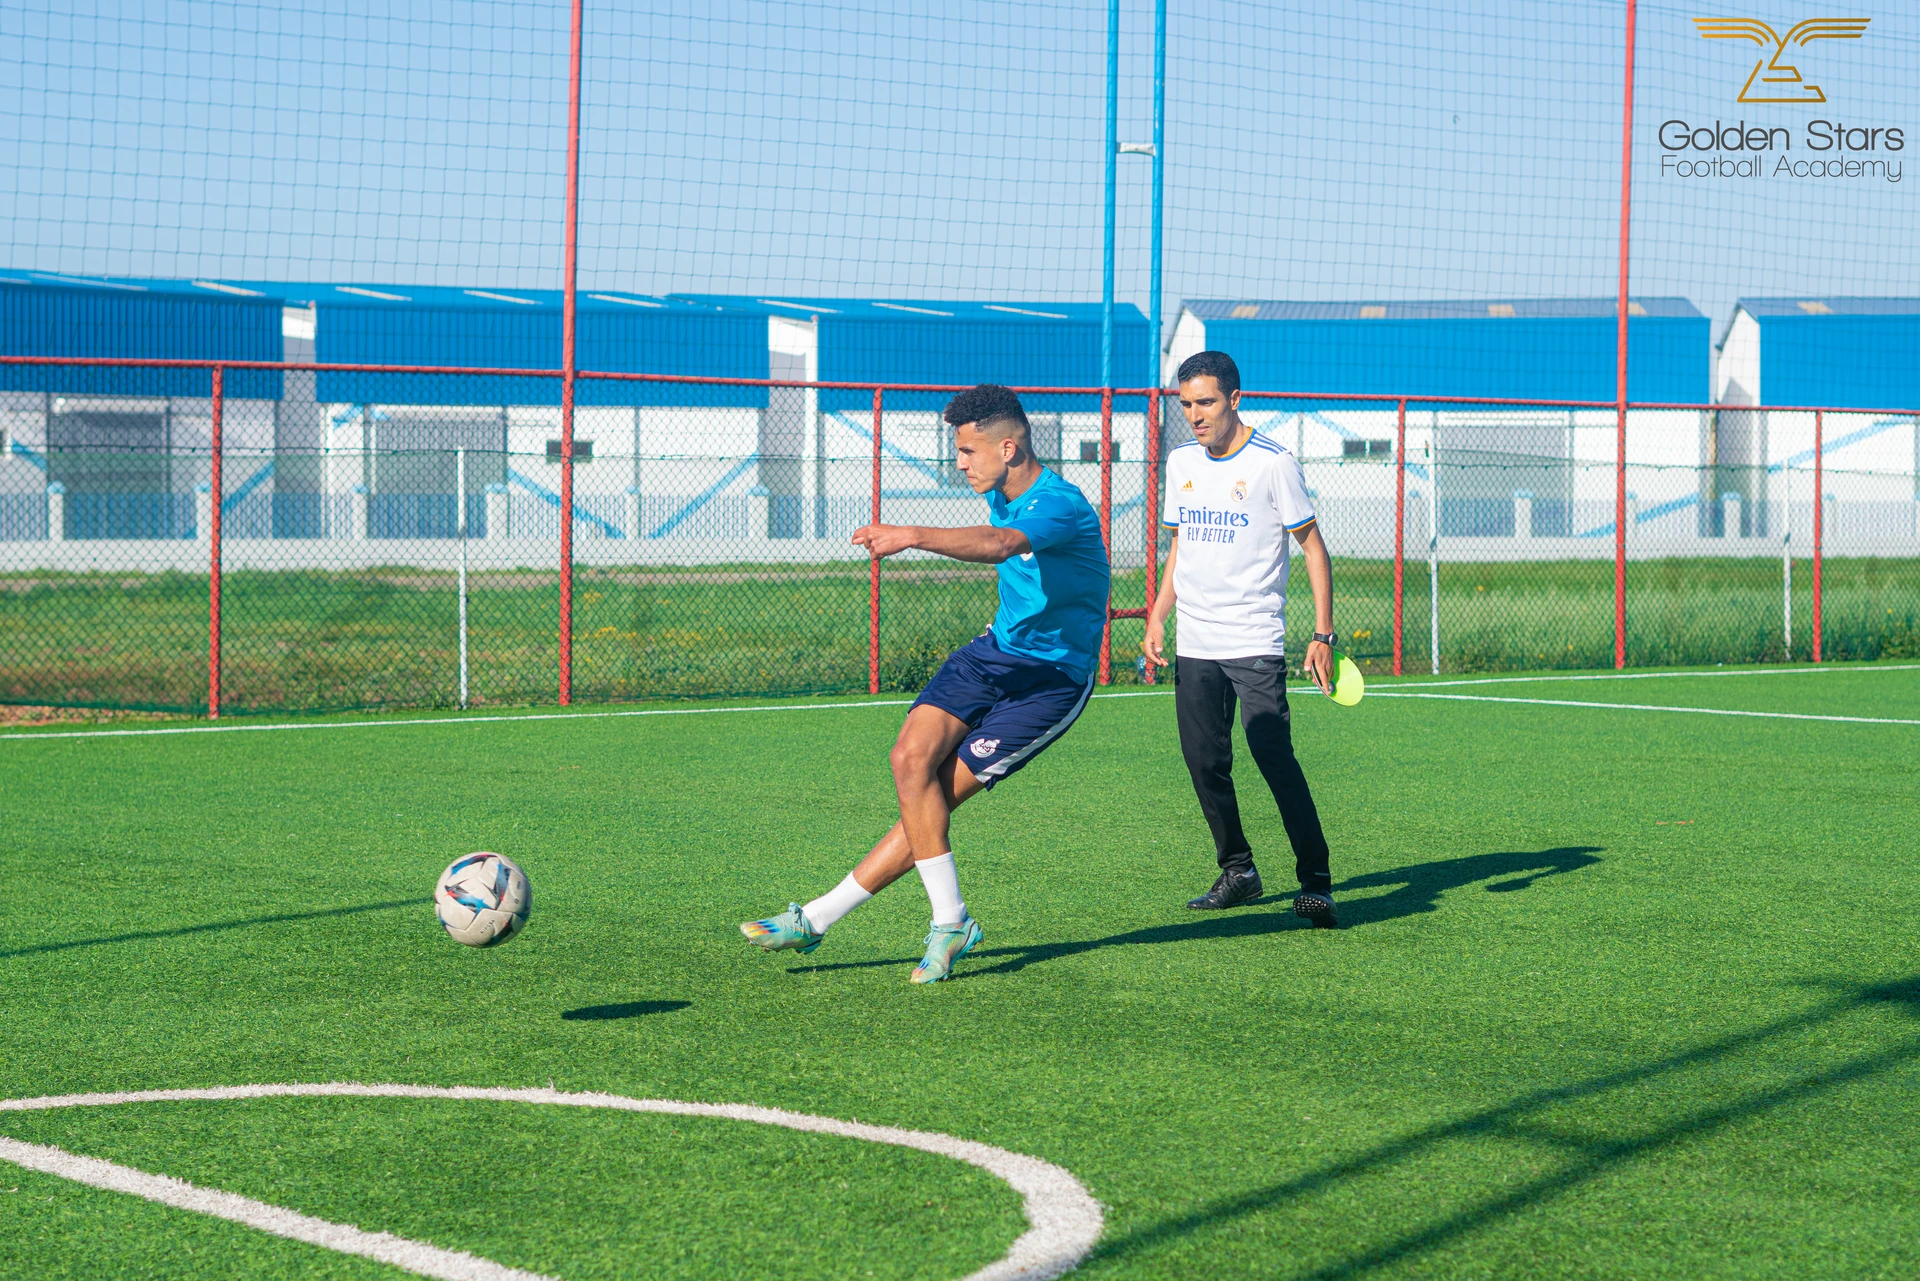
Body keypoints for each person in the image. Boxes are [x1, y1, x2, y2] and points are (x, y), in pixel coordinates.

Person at [741, 384, 1112, 983]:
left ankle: (822, 917)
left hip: (1052, 680)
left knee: (937, 795)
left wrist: (912, 534)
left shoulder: (1060, 504)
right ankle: (946, 921)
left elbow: (1000, 546)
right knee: (909, 760)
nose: (959, 463)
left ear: (1009, 448)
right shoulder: (1002, 492)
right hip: (993, 653)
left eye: (968, 451)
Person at [1142, 350, 1340, 927]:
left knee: (1272, 755)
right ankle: (1239, 870)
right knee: (1204, 761)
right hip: (1195, 641)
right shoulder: (1181, 460)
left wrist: (1322, 634)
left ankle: (1317, 882)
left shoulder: (1274, 463)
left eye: (1205, 402)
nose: (1195, 416)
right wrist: (1158, 614)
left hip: (1253, 638)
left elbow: (1313, 549)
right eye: (1186, 405)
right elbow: (1180, 547)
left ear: (1233, 398)